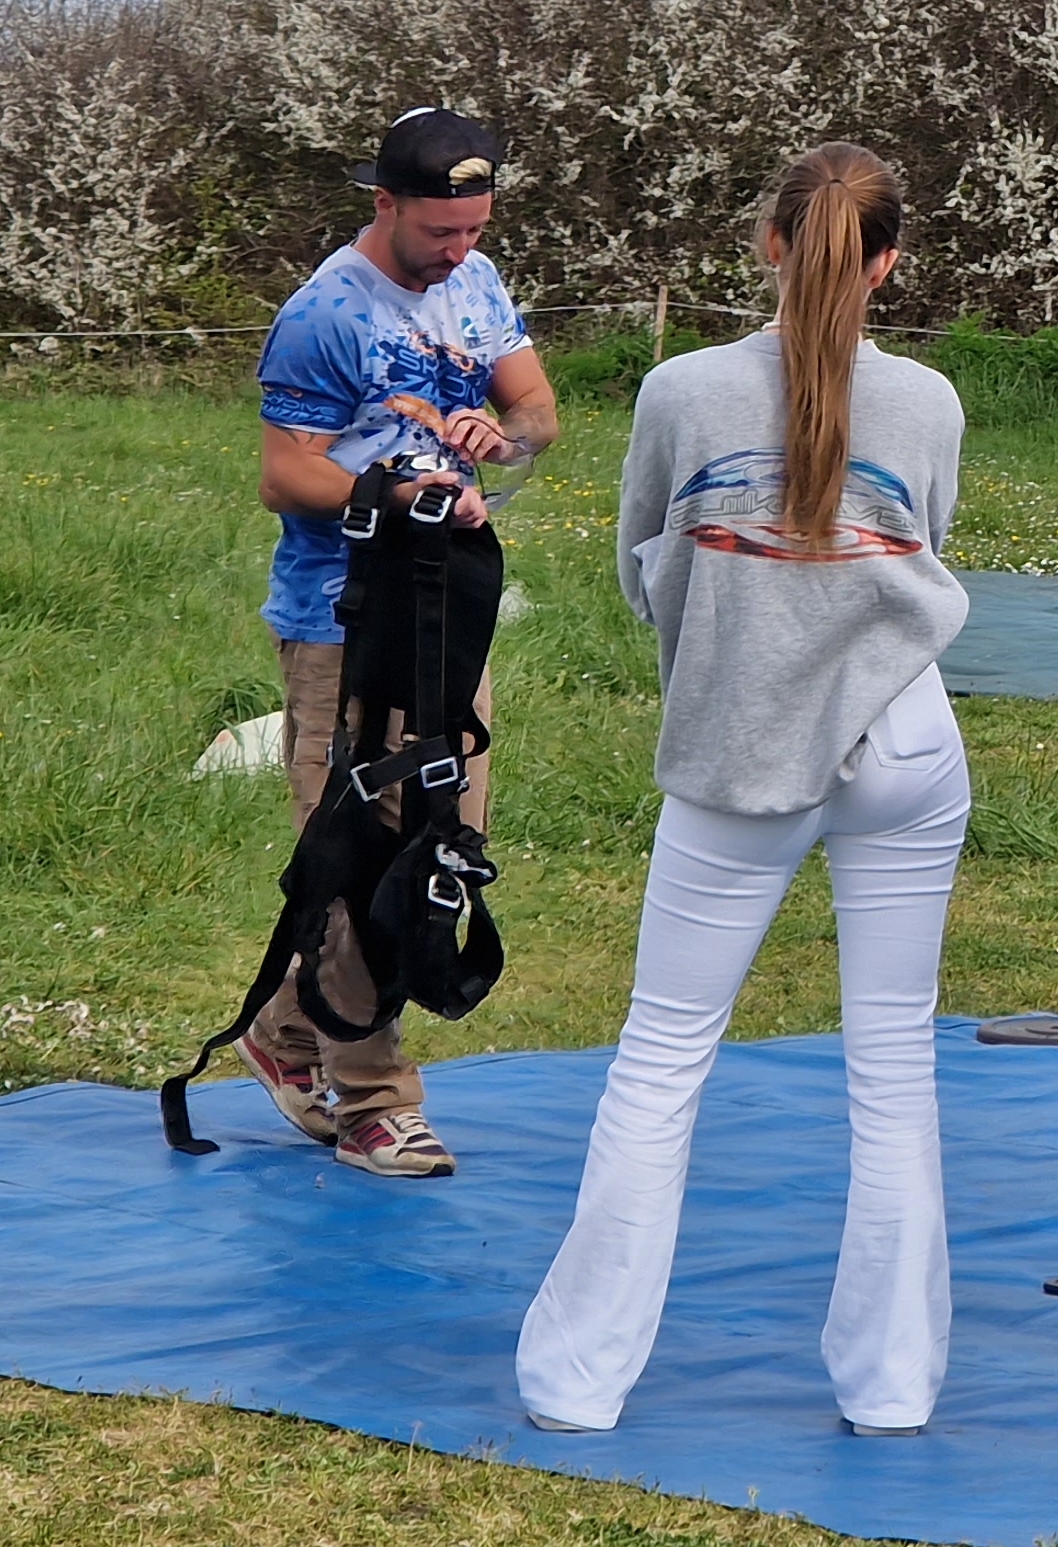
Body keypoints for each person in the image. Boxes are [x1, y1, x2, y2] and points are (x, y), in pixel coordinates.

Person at [518, 144, 973, 1439]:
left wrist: (735, 644)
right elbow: (922, 547)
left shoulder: (680, 391)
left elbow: (642, 563)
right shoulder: (930, 402)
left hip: (742, 752)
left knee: (662, 1059)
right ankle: (892, 1391)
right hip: (909, 745)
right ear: (888, 265)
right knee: (894, 1065)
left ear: (769, 244)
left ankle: (576, 1385)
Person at [244, 105, 558, 1179]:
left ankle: (287, 1031)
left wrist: (500, 439)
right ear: (384, 204)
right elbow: (285, 473)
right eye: (439, 232)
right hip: (344, 613)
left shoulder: (479, 281)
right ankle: (374, 1102)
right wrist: (395, 490)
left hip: (448, 607)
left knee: (442, 842)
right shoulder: (323, 313)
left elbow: (537, 409)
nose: (458, 251)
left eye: (475, 230)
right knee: (357, 854)